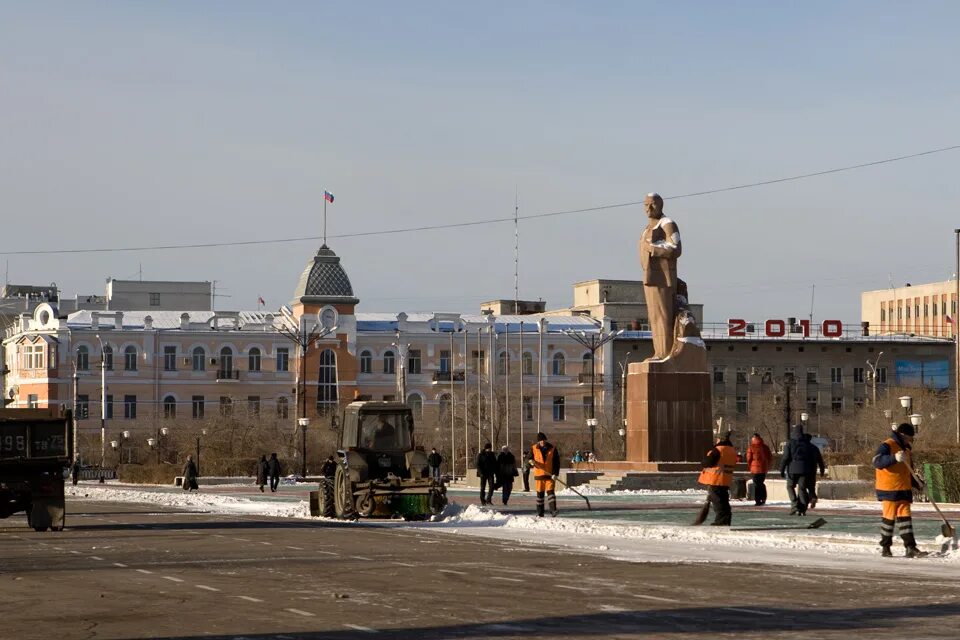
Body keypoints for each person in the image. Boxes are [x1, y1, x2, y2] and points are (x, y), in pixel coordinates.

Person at [638, 192, 682, 361]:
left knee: (663, 315)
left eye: (653, 204)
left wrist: (653, 249)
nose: (649, 208)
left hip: (663, 278)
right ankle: (659, 351)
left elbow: (676, 249)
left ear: (660, 205)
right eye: (645, 204)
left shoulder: (667, 224)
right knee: (654, 317)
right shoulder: (647, 227)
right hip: (650, 277)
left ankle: (664, 353)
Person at [873, 423, 927, 558]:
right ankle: (885, 547)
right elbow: (877, 461)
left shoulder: (907, 449)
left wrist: (918, 483)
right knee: (889, 520)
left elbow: (909, 471)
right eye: (909, 438)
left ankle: (910, 547)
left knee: (905, 520)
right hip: (889, 489)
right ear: (902, 435)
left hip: (904, 489)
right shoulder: (887, 445)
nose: (910, 441)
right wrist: (894, 458)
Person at [697, 430, 737, 525]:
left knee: (718, 501)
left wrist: (704, 461)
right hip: (725, 478)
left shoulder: (718, 450)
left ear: (720, 439)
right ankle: (726, 519)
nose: (716, 440)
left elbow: (708, 462)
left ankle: (721, 520)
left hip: (716, 479)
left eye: (717, 438)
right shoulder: (731, 450)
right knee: (723, 500)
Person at [779, 425, 813, 515]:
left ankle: (794, 504)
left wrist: (782, 469)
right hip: (805, 469)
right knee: (802, 488)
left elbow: (786, 457)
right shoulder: (807, 443)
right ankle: (803, 507)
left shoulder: (790, 443)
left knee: (790, 486)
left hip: (792, 468)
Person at [531, 432, 560, 517]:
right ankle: (540, 512)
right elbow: (529, 458)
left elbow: (556, 463)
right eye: (540, 440)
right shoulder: (533, 448)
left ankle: (553, 511)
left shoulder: (553, 448)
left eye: (543, 440)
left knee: (551, 493)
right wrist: (530, 462)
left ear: (546, 440)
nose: (542, 442)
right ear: (538, 441)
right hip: (539, 475)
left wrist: (555, 473)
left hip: (550, 475)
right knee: (540, 495)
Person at [745, 433, 772, 506]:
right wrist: (767, 466)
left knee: (756, 484)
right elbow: (769, 457)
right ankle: (763, 498)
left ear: (753, 439)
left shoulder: (751, 447)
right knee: (761, 483)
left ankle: (758, 500)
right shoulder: (765, 447)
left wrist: (750, 466)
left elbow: (749, 458)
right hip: (763, 468)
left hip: (755, 469)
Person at [803, 433, 826, 509]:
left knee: (802, 487)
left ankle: (806, 500)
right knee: (811, 487)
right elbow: (820, 460)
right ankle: (813, 497)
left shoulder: (801, 447)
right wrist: (822, 470)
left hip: (803, 470)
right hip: (813, 470)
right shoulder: (815, 448)